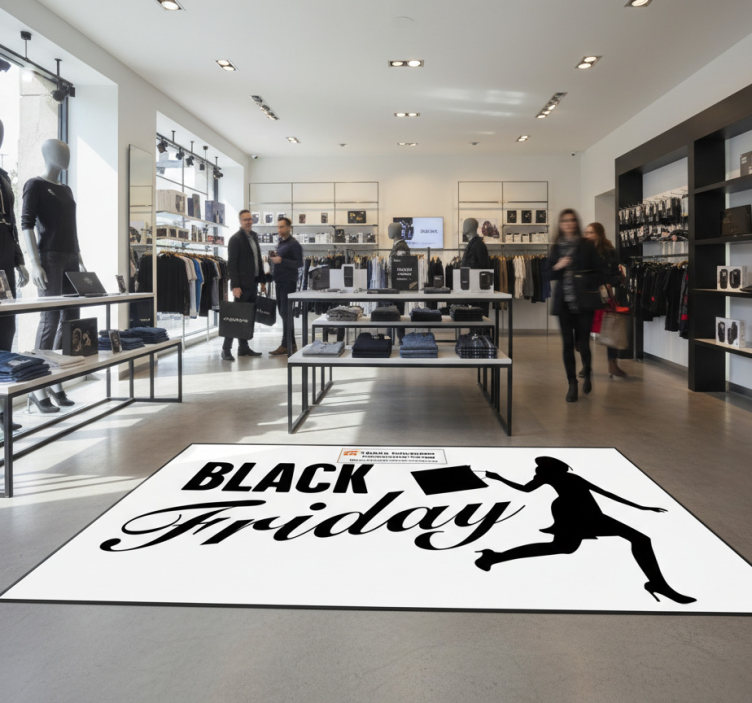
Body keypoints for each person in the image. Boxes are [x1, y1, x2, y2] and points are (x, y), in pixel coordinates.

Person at [475, 457, 695, 605]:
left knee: (636, 540)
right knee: (566, 547)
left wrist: (641, 507)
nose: (535, 475)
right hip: (574, 514)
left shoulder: (567, 478)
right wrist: (499, 478)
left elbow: (605, 493)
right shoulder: (560, 478)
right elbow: (526, 488)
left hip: (588, 515)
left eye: (538, 472)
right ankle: (494, 557)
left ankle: (494, 557)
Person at [546, 209, 605, 402]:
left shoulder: (586, 245)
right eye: (564, 221)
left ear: (576, 223)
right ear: (560, 224)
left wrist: (583, 279)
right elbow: (547, 273)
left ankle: (587, 371)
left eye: (571, 220)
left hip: (584, 302)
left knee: (584, 344)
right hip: (563, 303)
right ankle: (572, 383)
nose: (568, 223)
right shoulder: (557, 247)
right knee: (567, 344)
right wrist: (559, 265)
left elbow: (600, 271)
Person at [581, 222, 627, 379]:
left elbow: (615, 274)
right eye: (586, 232)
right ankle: (586, 366)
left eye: (591, 232)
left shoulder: (609, 251)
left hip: (604, 295)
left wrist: (609, 283)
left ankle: (612, 364)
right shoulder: (582, 251)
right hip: (586, 295)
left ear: (599, 234)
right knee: (583, 330)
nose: (587, 235)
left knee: (610, 327)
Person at [222, 210, 266, 361]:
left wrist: (262, 281)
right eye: (245, 219)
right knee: (236, 317)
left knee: (247, 317)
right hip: (241, 286)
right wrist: (235, 286)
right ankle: (226, 349)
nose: (248, 222)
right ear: (240, 221)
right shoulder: (235, 239)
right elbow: (232, 264)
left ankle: (243, 347)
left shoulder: (254, 237)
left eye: (250, 219)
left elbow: (258, 260)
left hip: (253, 283)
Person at [269, 217, 303, 356]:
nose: (279, 229)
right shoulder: (281, 243)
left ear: (289, 227)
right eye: (278, 227)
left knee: (286, 314)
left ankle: (286, 345)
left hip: (288, 283)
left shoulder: (294, 244)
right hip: (279, 281)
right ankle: (290, 344)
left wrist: (281, 260)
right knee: (283, 314)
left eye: (282, 227)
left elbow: (299, 263)